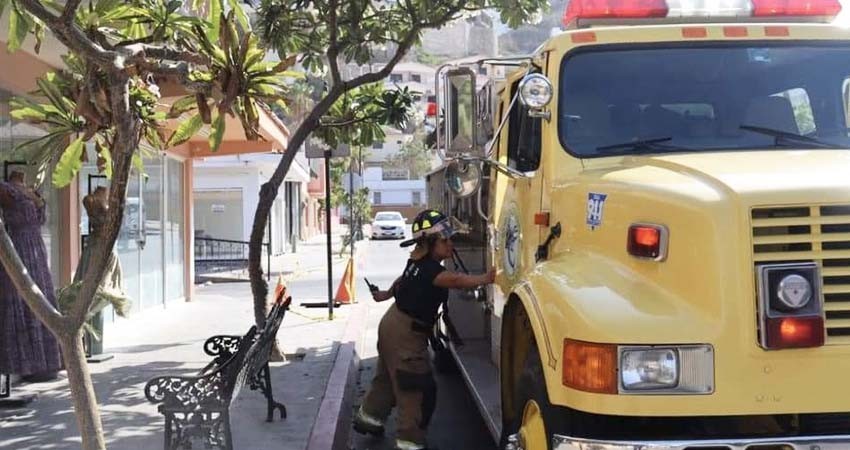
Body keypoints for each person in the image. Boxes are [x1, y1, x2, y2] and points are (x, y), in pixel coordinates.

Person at [353, 209, 496, 450]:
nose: (450, 244)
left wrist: (384, 295)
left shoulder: (416, 262)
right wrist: (487, 278)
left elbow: (401, 281)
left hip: (392, 325)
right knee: (415, 388)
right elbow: (458, 280)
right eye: (445, 240)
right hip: (406, 335)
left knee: (387, 378)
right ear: (429, 243)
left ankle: (369, 419)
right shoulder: (433, 272)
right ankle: (410, 441)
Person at [0, 170, 63, 382]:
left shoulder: (31, 190)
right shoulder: (6, 189)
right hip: (18, 247)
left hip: (37, 247)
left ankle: (46, 363)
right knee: (22, 298)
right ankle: (25, 364)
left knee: (42, 296)